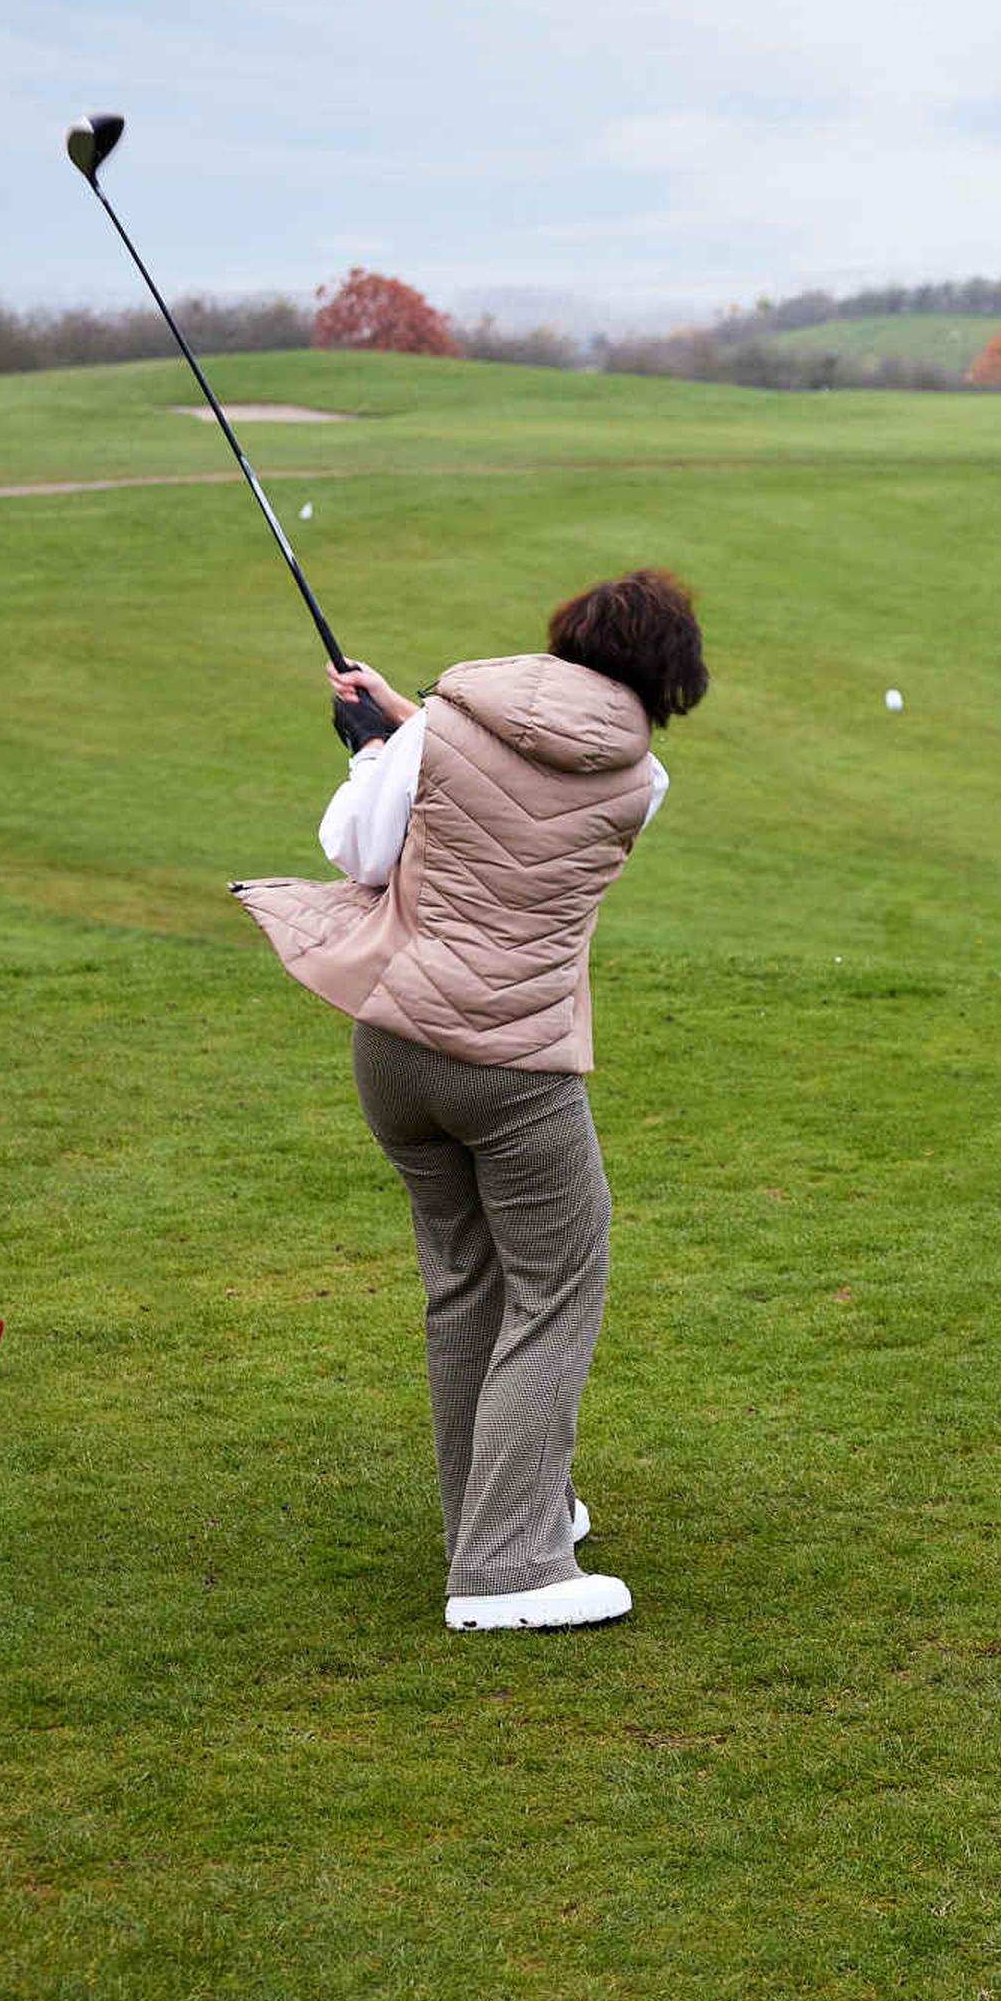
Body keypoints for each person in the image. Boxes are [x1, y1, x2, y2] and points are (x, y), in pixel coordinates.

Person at [233, 569, 706, 1632]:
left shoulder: (442, 724)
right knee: (558, 1286)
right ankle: (505, 1570)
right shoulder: (645, 782)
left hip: (393, 1051)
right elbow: (533, 777)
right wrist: (406, 732)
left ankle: (498, 1517)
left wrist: (379, 740)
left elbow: (357, 847)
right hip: (513, 1072)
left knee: (466, 1286)